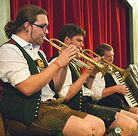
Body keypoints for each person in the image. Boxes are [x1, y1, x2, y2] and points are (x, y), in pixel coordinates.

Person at [0, 5, 105, 136]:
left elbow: (56, 87)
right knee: (83, 129)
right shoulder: (9, 50)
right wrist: (57, 63)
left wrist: (64, 64)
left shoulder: (40, 53)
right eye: (43, 27)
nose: (47, 32)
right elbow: (27, 88)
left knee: (99, 125)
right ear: (27, 26)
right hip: (25, 114)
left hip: (51, 106)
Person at [49, 24, 138, 136]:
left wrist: (92, 74)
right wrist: (86, 73)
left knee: (135, 121)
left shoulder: (74, 63)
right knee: (129, 126)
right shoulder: (58, 61)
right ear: (67, 40)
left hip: (88, 103)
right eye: (79, 40)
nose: (82, 45)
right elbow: (66, 96)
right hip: (79, 108)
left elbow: (86, 89)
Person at [90, 43, 138, 133]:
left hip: (120, 102)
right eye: (108, 56)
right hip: (107, 103)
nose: (112, 59)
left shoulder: (113, 70)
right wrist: (115, 88)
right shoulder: (96, 71)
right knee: (137, 112)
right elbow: (96, 94)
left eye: (113, 55)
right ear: (100, 57)